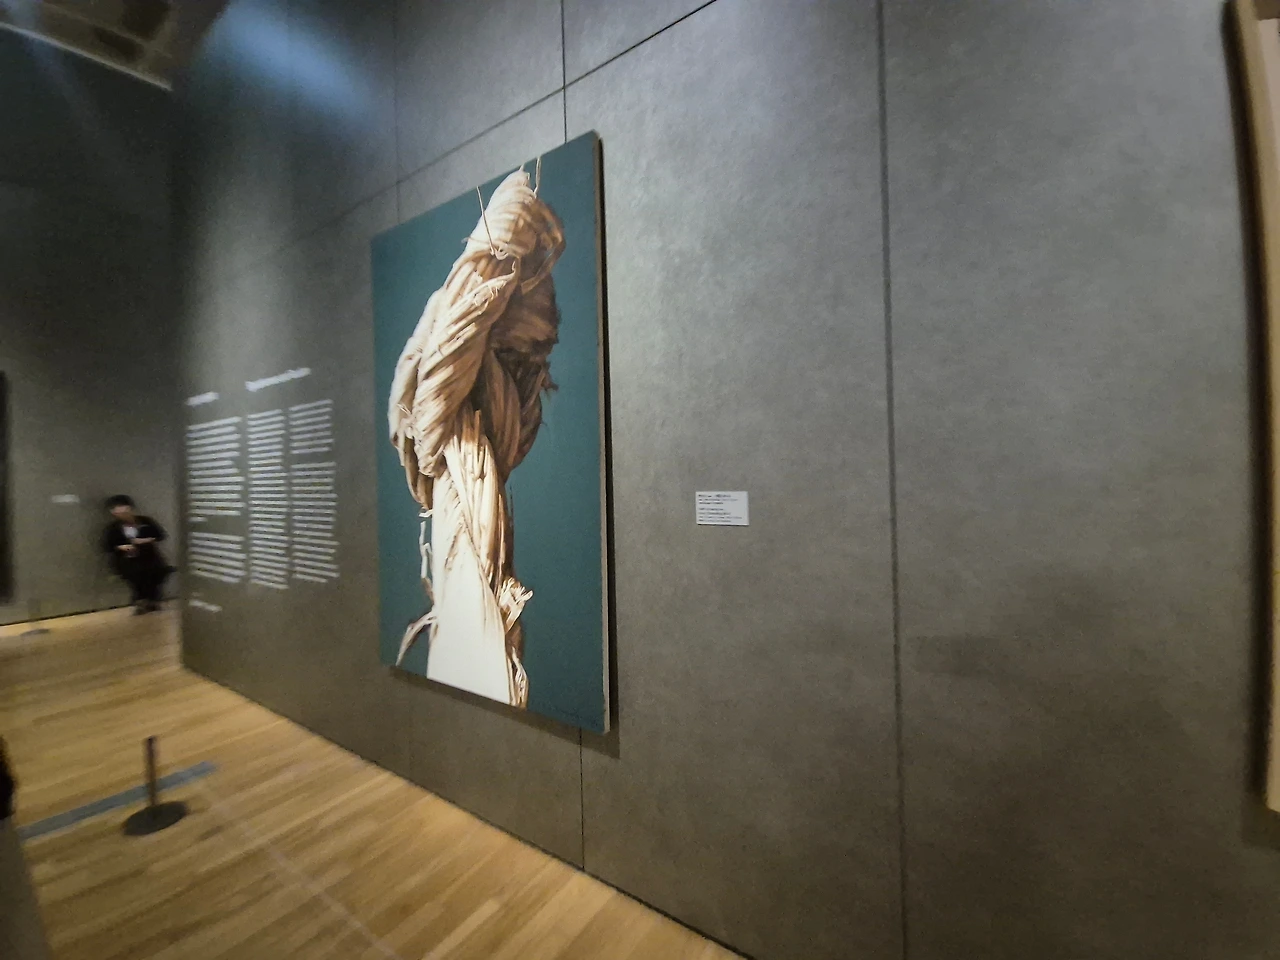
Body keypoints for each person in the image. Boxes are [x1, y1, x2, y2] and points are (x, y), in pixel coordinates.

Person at [102, 495, 170, 614]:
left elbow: (160, 535)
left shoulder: (146, 521)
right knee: (136, 576)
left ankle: (151, 600)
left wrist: (145, 540)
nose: (122, 515)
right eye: (117, 512)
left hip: (149, 556)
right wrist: (121, 547)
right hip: (127, 559)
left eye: (124, 511)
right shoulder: (113, 527)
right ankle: (142, 601)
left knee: (157, 573)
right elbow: (108, 546)